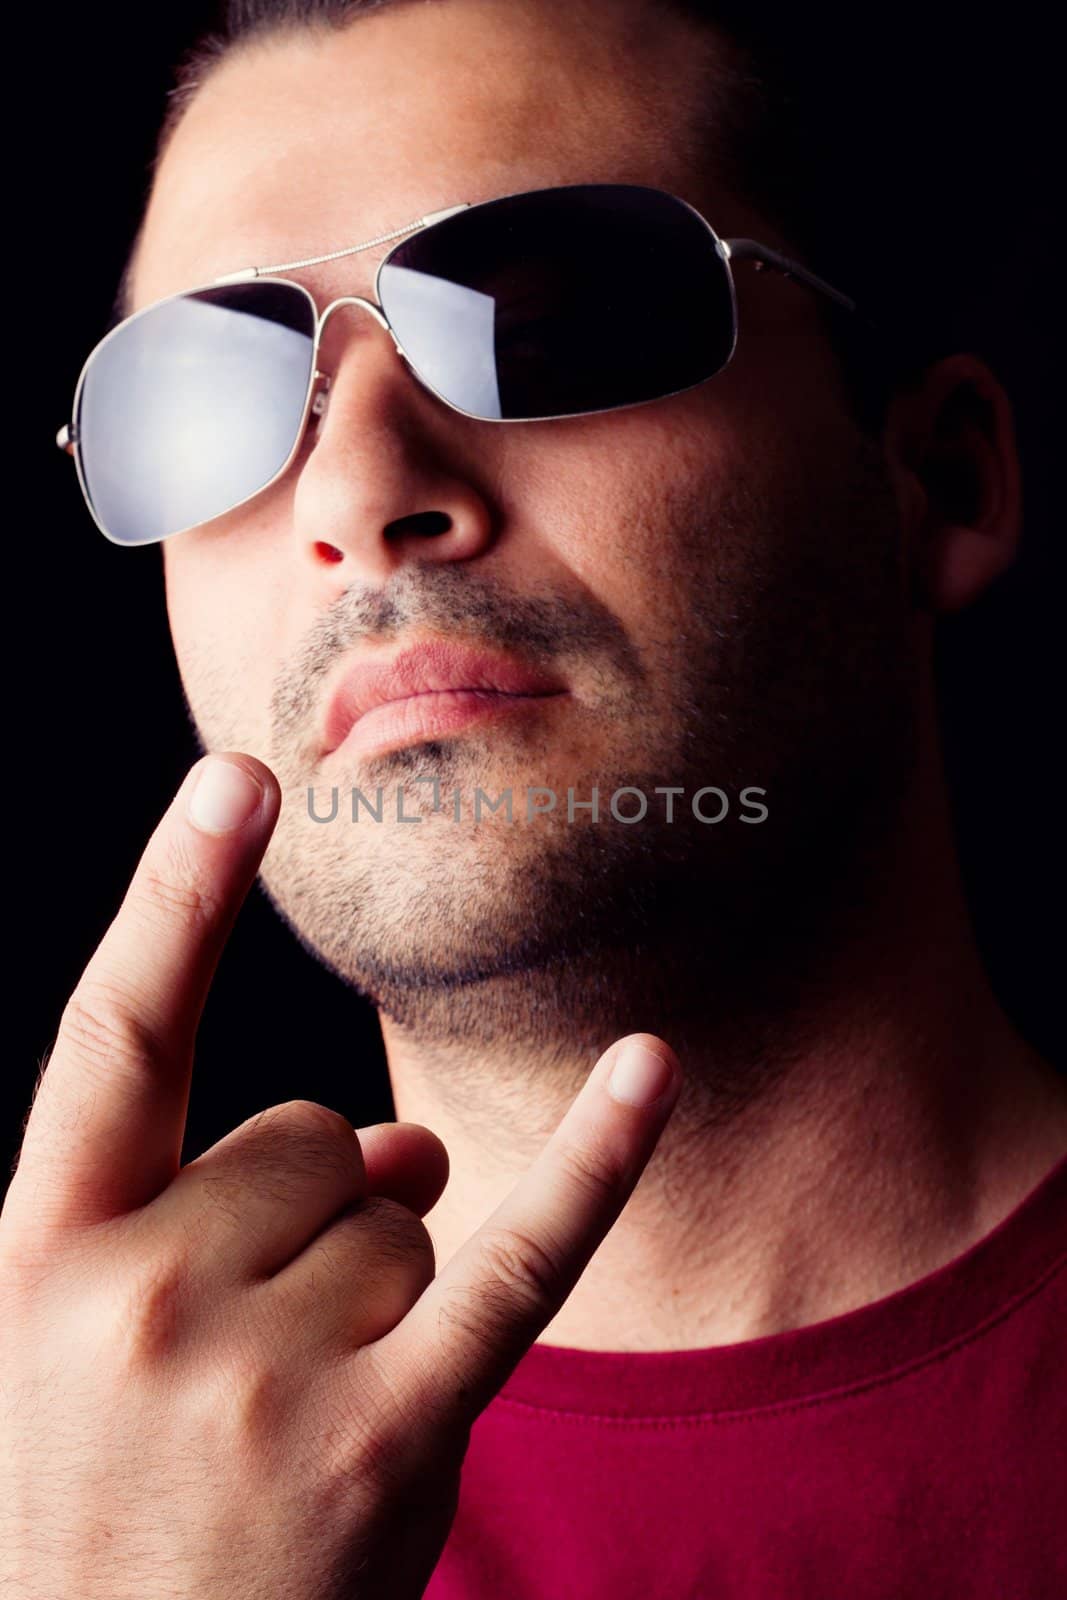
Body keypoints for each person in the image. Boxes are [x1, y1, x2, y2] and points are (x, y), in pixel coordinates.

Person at [4, 1, 1064, 1596]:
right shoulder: (47, 1505)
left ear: (944, 477)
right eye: (206, 399)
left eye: (550, 324)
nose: (359, 498)